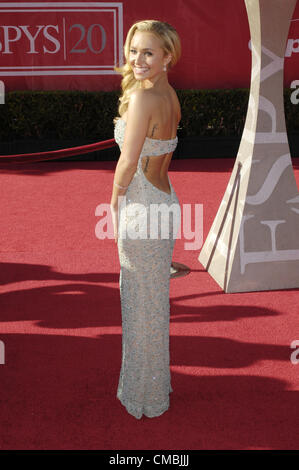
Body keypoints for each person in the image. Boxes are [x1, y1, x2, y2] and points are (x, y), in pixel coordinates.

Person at [110, 19, 182, 419]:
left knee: (139, 306)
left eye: (148, 52)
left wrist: (114, 201)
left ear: (167, 56)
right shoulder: (169, 95)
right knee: (153, 305)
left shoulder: (142, 100)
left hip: (140, 208)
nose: (138, 59)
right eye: (134, 50)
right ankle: (155, 386)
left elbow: (127, 162)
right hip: (164, 203)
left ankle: (144, 394)